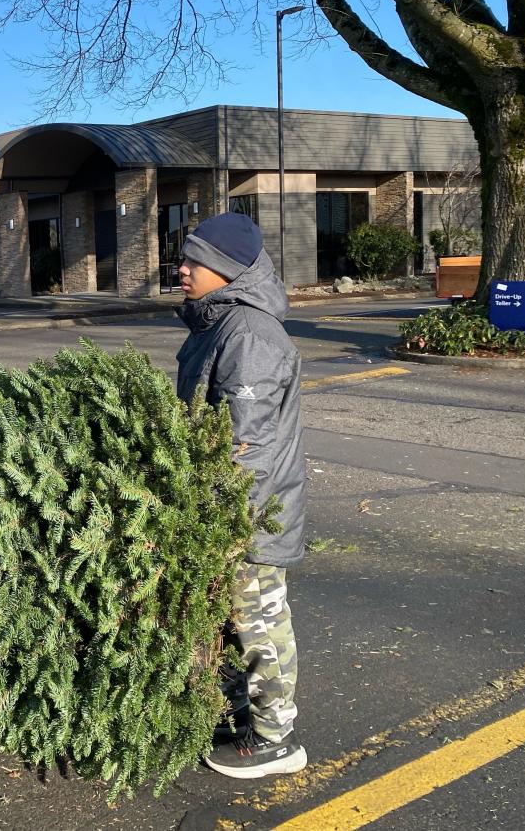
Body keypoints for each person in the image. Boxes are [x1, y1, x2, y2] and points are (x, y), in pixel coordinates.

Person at [174, 212, 308, 780]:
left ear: (225, 270)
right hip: (226, 509)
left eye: (193, 262)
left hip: (251, 516)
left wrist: (228, 526)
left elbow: (244, 446)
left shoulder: (247, 336)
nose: (180, 269)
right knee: (231, 621)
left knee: (259, 623)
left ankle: (277, 740)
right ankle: (237, 713)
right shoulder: (217, 325)